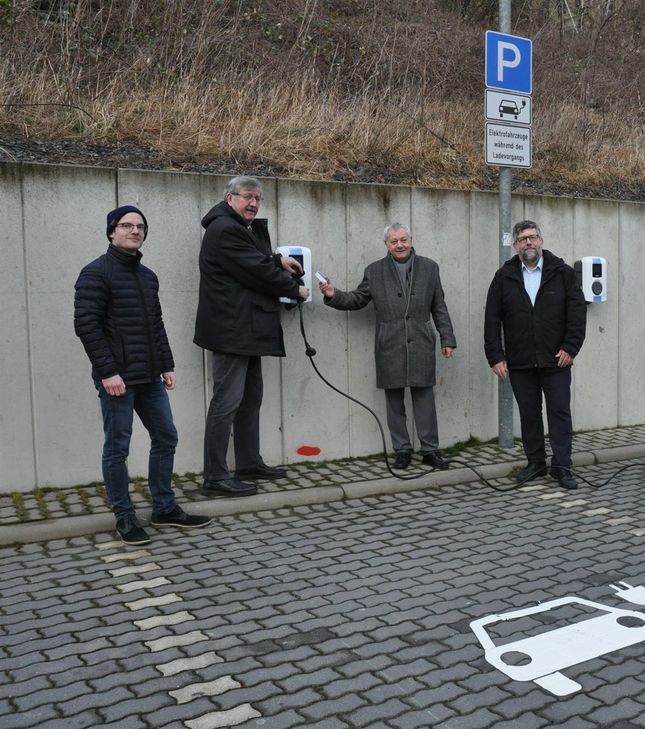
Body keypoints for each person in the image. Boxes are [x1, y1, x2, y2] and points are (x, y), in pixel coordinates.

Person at [75, 205, 212, 545]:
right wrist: (108, 372)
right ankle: (124, 516)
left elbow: (156, 324)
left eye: (140, 226)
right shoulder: (95, 273)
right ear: (111, 232)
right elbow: (86, 326)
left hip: (149, 377)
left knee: (166, 437)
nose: (134, 231)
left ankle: (164, 508)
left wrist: (166, 364)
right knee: (117, 448)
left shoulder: (147, 276)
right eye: (126, 225)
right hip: (117, 380)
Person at [194, 176, 309, 497]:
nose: (254, 204)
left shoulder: (235, 228)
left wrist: (276, 258)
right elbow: (254, 270)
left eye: (258, 198)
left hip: (247, 328)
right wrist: (294, 288)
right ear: (230, 198)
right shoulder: (224, 229)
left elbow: (253, 260)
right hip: (232, 330)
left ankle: (247, 462)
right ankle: (215, 477)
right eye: (247, 197)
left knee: (250, 399)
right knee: (226, 402)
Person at [319, 223, 457, 469]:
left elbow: (439, 306)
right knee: (394, 401)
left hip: (422, 341)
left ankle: (430, 451)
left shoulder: (429, 267)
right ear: (386, 245)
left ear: (411, 240)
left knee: (424, 398)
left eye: (403, 239)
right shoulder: (375, 271)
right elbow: (358, 299)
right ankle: (402, 450)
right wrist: (332, 293)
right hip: (389, 343)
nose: (400, 245)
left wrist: (447, 338)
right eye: (394, 241)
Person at [484, 220, 587, 489]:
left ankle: (562, 466)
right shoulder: (503, 277)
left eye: (533, 237)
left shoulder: (562, 273)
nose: (528, 242)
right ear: (515, 245)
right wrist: (496, 356)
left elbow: (577, 314)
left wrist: (570, 347)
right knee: (529, 414)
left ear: (541, 240)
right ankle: (536, 463)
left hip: (556, 359)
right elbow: (492, 319)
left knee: (559, 413)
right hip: (520, 361)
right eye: (523, 239)